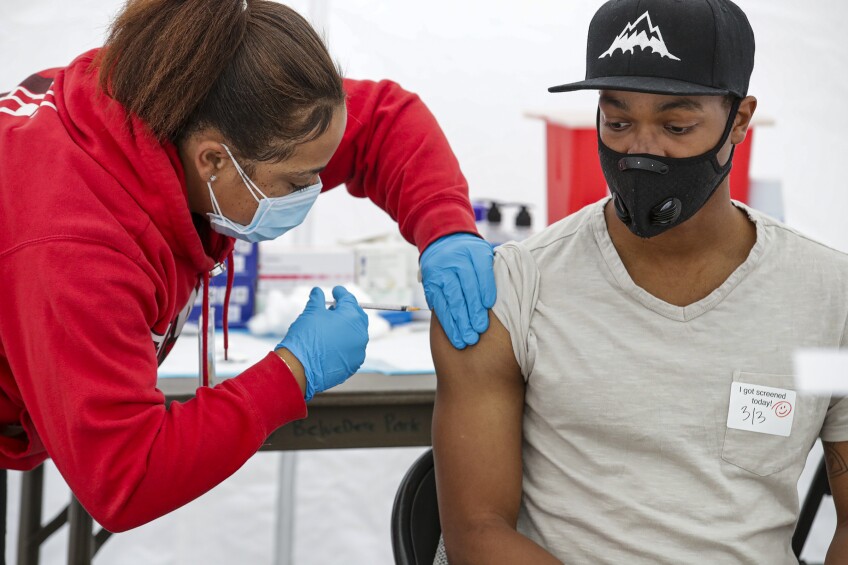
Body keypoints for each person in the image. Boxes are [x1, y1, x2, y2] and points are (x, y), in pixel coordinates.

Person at [0, 0, 495, 534]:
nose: (313, 191)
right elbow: (127, 477)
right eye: (295, 183)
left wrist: (446, 228)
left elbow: (382, 122)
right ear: (212, 160)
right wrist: (292, 371)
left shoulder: (185, 95)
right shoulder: (75, 246)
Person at [431, 0, 848, 563]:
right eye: (618, 121)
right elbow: (476, 533)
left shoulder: (828, 298)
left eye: (676, 125)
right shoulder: (515, 290)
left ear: (740, 121)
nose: (639, 149)